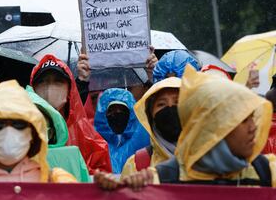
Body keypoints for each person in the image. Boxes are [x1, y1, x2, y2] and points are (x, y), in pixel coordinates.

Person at [95, 65, 276, 189]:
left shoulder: (267, 170)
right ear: (217, 124)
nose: (254, 128)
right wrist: (117, 191)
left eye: (178, 102)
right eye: (244, 120)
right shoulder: (152, 176)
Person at [0, 80, 76, 182]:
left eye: (18, 124)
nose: (8, 131)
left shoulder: (56, 180)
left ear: (32, 132)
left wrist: (95, 192)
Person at [30, 54, 112, 174]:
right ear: (33, 88)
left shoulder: (84, 133)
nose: (49, 88)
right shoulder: (23, 127)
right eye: (42, 82)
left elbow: (101, 177)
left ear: (69, 89)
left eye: (57, 81)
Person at [26, 86, 90, 182]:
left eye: (39, 122)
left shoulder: (70, 157)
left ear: (51, 132)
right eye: (23, 123)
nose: (31, 129)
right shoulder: (0, 161)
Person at [121, 77, 181, 177]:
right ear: (150, 115)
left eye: (178, 102)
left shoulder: (210, 161)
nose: (170, 107)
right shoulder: (136, 164)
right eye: (161, 104)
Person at [94, 88, 150, 174]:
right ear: (103, 114)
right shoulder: (94, 142)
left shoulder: (142, 138)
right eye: (112, 111)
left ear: (131, 114)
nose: (117, 114)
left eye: (122, 110)